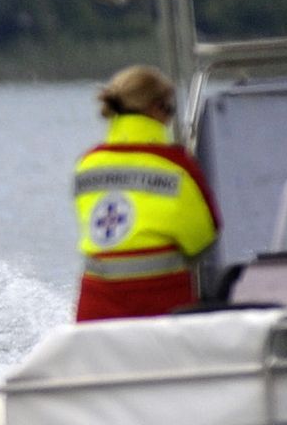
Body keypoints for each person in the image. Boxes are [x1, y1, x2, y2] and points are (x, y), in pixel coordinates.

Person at [69, 64, 217, 321]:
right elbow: (203, 238)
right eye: (170, 110)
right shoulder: (176, 166)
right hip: (161, 307)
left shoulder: (86, 164)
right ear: (156, 109)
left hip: (94, 312)